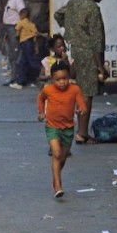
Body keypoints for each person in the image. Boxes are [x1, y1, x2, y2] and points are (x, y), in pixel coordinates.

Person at [54, 0, 108, 145]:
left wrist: (70, 29)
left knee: (76, 92)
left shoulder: (72, 3)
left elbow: (58, 15)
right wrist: (100, 67)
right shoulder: (93, 9)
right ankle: (82, 133)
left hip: (72, 52)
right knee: (87, 95)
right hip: (87, 55)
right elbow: (96, 41)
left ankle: (79, 131)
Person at [37, 60, 87, 198]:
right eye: (58, 79)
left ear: (69, 77)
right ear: (52, 79)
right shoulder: (48, 90)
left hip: (68, 129)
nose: (62, 82)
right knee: (57, 153)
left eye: (65, 78)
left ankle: (56, 176)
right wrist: (41, 112)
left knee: (62, 158)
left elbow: (82, 104)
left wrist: (82, 109)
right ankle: (58, 185)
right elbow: (40, 99)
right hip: (52, 127)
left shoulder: (74, 89)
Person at [10, 7, 42, 89]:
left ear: (23, 15)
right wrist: (36, 47)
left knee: (30, 61)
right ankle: (21, 81)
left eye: (20, 15)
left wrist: (17, 38)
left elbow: (17, 34)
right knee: (23, 62)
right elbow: (35, 35)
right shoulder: (32, 24)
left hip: (24, 43)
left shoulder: (21, 22)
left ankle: (43, 70)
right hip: (30, 43)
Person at [1, 0, 26, 85]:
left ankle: (17, 78)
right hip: (8, 29)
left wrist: (19, 28)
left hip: (14, 28)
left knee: (16, 54)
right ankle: (13, 77)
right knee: (11, 54)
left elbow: (23, 12)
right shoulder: (11, 0)